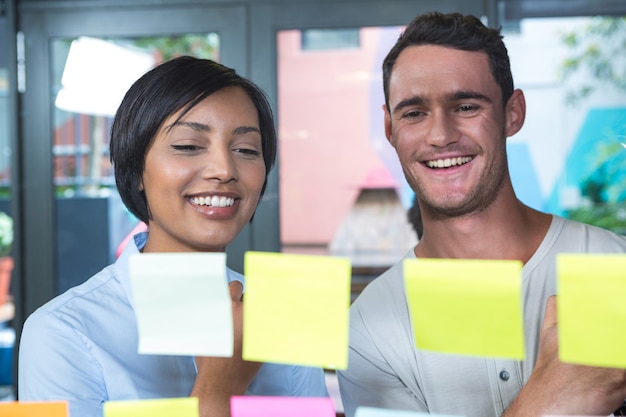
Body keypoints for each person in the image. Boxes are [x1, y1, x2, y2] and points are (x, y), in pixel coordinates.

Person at [337, 11, 626, 417]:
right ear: (390, 128)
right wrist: (550, 401)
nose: (440, 135)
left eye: (467, 106)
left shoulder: (617, 268)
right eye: (414, 113)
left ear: (512, 113)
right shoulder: (370, 330)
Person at [18, 56, 328, 417]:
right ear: (136, 170)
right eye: (188, 146)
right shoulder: (60, 332)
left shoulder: (286, 317)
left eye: (245, 150)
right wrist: (218, 389)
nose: (224, 170)